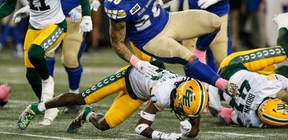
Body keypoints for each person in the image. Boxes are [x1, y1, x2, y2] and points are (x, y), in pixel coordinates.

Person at [103, 0, 239, 97]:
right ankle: (224, 85)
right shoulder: (116, 5)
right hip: (151, 39)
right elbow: (117, 43)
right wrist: (136, 62)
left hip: (167, 20)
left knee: (214, 22)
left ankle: (200, 51)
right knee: (188, 58)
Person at [0, 0, 92, 126]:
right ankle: (49, 106)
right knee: (30, 74)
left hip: (56, 24)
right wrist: (26, 9)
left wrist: (87, 14)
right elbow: (9, 5)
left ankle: (48, 81)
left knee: (36, 53)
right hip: (35, 24)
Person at [18, 64, 208, 139]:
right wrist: (162, 136)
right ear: (177, 96)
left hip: (139, 94)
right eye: (180, 106)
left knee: (103, 125)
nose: (180, 110)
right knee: (81, 97)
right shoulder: (164, 94)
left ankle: (88, 114)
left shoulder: (195, 95)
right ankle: (36, 107)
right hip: (127, 77)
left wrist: (189, 130)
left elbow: (195, 131)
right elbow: (141, 127)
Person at [176, 0, 241, 117]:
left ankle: (233, 96)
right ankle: (194, 96)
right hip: (193, 13)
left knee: (222, 59)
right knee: (188, 55)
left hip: (217, 13)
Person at [37, 0, 101, 118]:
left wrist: (83, 7)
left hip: (73, 16)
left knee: (70, 58)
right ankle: (47, 97)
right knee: (45, 55)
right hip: (50, 17)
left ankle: (73, 96)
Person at [214, 12, 288, 127]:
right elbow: (239, 119)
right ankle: (226, 113)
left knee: (284, 52)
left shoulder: (268, 87)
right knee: (280, 71)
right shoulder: (253, 121)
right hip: (223, 89)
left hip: (233, 65)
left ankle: (283, 20)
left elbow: (284, 84)